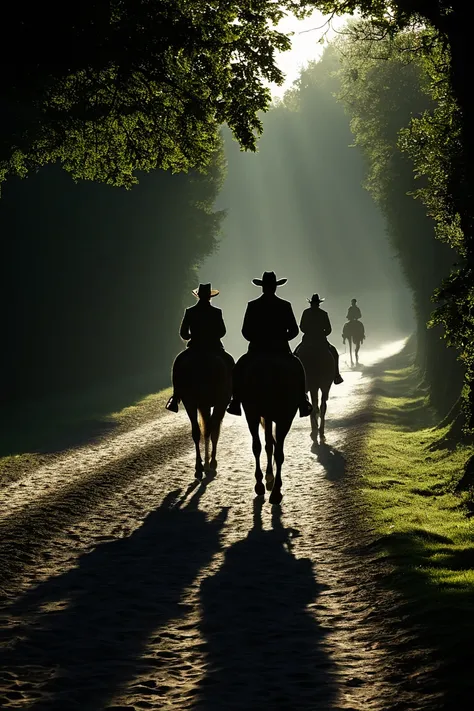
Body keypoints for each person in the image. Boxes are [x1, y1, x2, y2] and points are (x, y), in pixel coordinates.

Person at [226, 271, 313, 418]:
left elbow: (245, 330)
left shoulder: (253, 305)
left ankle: (235, 401)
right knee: (298, 368)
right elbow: (294, 330)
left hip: (256, 350)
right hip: (280, 349)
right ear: (275, 287)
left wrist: (257, 339)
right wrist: (281, 338)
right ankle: (302, 401)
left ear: (262, 287)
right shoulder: (285, 305)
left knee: (239, 368)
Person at [165, 283, 234, 412]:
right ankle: (233, 397)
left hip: (195, 347)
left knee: (178, 363)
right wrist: (212, 335)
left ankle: (175, 397)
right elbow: (222, 332)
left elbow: (184, 334)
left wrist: (193, 335)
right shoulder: (216, 312)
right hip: (214, 347)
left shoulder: (190, 311)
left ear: (198, 296)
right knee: (230, 362)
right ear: (209, 297)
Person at [298, 294, 343, 384]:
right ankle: (336, 375)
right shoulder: (323, 313)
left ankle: (298, 379)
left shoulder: (306, 312)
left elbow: (302, 327)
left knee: (296, 353)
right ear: (318, 304)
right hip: (321, 340)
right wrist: (322, 334)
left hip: (308, 340)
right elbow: (329, 329)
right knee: (334, 353)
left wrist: (309, 332)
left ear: (311, 303)